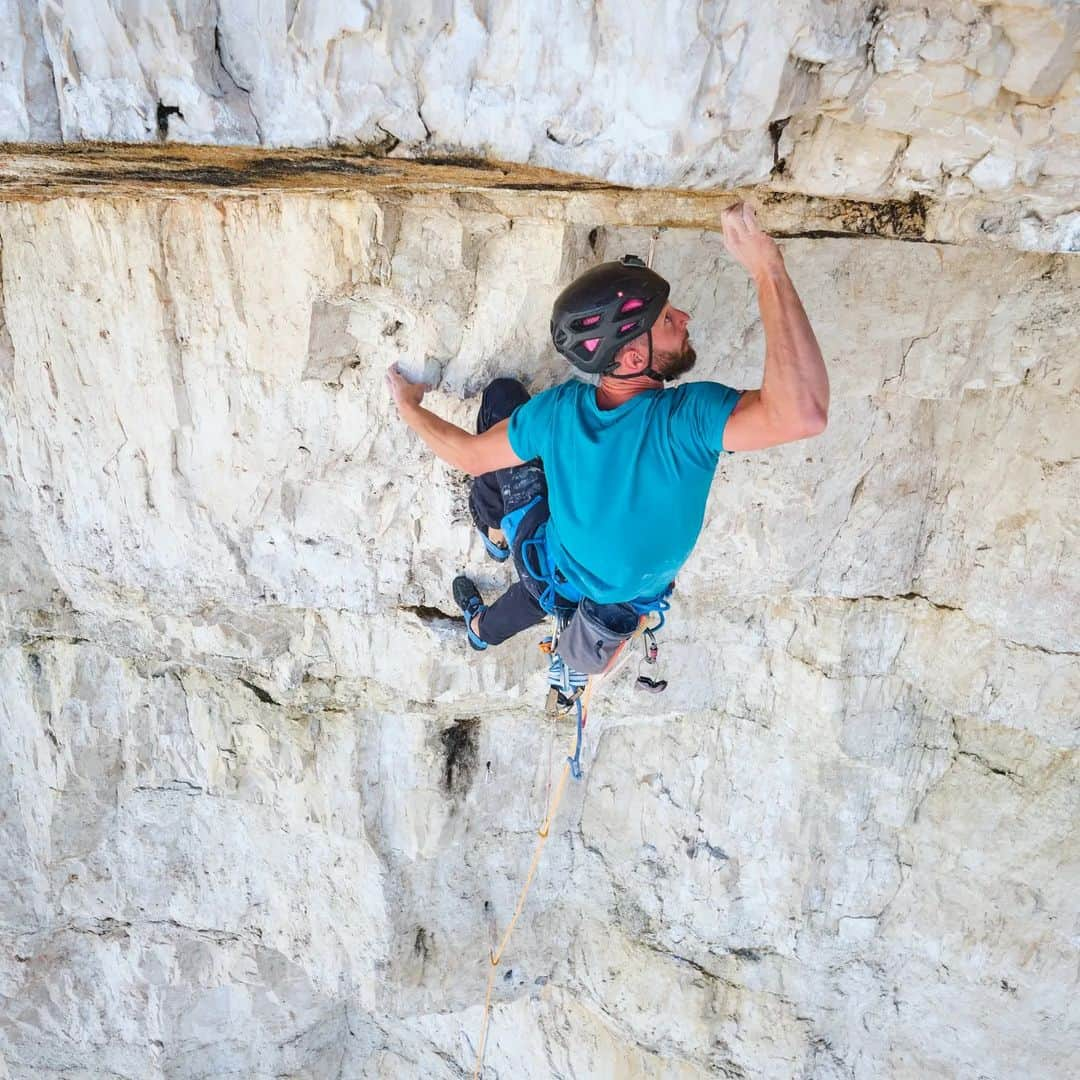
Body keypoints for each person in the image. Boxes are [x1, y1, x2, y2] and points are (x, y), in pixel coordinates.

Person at [386, 202, 828, 663]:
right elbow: (800, 413)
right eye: (669, 320)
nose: (686, 319)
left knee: (501, 399)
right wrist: (766, 268)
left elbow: (471, 457)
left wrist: (408, 405)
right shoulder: (689, 419)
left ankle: (493, 549)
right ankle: (483, 618)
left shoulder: (558, 414)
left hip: (554, 566)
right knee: (537, 591)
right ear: (635, 360)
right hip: (620, 594)